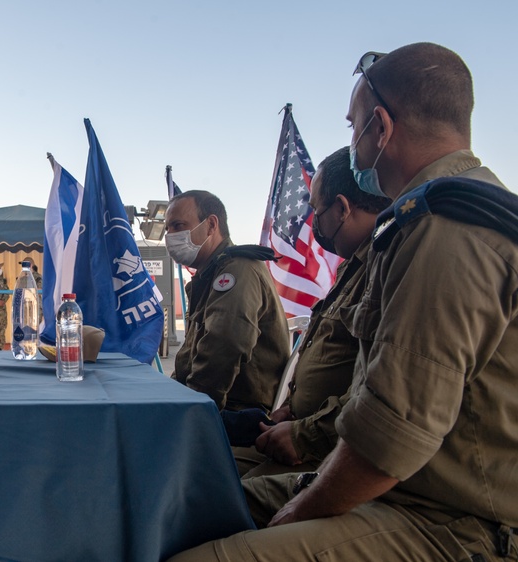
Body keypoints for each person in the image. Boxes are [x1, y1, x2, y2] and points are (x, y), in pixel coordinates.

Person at [171, 43, 518, 561]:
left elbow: (389, 435)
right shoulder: (434, 217)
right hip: (399, 489)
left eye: (354, 125)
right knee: (183, 508)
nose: (352, 143)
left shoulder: (443, 228)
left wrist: (301, 509)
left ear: (381, 127)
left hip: (445, 519)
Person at [231, 146, 391, 477]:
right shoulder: (352, 267)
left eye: (316, 210)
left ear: (342, 208)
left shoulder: (384, 267)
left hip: (328, 449)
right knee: (200, 461)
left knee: (216, 494)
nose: (314, 222)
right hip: (298, 430)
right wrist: (291, 411)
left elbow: (380, 391)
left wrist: (304, 434)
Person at [165, 190, 289, 412]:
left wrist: (190, 410)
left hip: (236, 410)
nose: (170, 236)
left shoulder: (238, 270)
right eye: (168, 229)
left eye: (178, 225)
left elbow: (223, 349)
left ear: (211, 225)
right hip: (215, 403)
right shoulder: (210, 275)